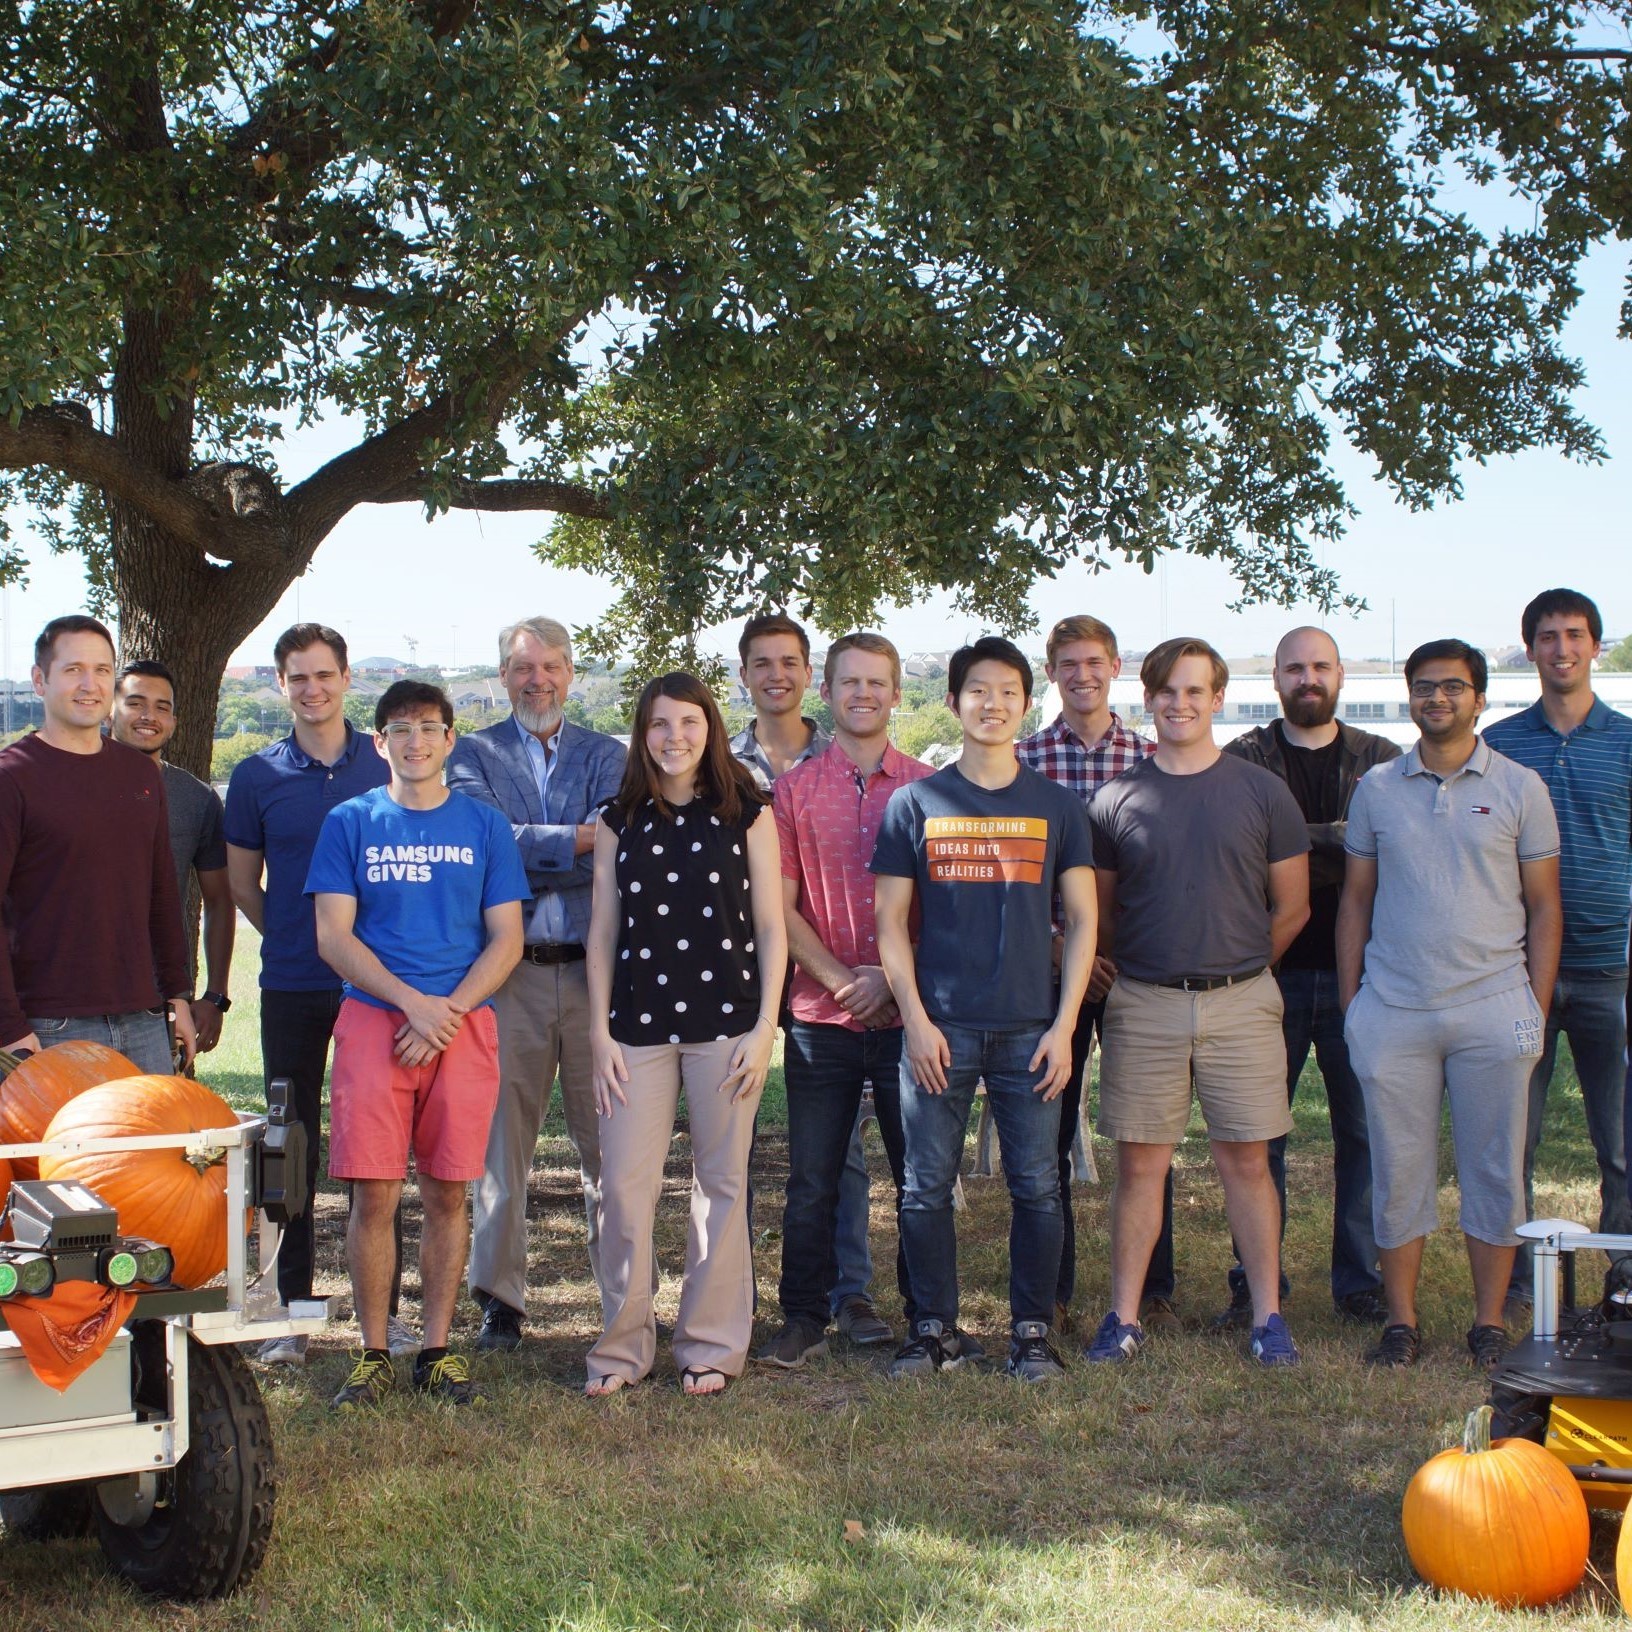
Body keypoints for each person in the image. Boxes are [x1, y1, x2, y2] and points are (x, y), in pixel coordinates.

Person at [873, 635, 1097, 1384]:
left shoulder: (1057, 807)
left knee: (1037, 1183)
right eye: (977, 690)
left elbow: (1084, 922)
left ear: (1026, 704)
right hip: (940, 1027)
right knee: (924, 1185)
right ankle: (932, 1328)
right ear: (952, 702)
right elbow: (890, 926)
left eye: (1007, 691)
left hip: (1032, 1031)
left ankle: (1031, 1332)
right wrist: (914, 1019)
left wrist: (1066, 1029)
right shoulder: (916, 803)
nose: (992, 703)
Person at [1338, 639, 1562, 1370]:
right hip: (1394, 1009)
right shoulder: (1376, 788)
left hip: (1494, 1005)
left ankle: (1489, 1322)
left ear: (1480, 698)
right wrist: (1354, 1008)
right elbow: (1356, 901)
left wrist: (1535, 1002)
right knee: (1398, 1170)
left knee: (1494, 1168)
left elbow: (1544, 905)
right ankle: (1400, 1323)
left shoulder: (1522, 787)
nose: (1438, 699)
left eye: (1454, 687)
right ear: (1410, 697)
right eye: (1425, 687)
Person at [1086, 637, 1310, 1369]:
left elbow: (1293, 907)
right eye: (1165, 692)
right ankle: (1123, 1317)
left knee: (1247, 1161)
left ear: (1218, 699)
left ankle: (1267, 1315)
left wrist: (1236, 969)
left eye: (1194, 691)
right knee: (1140, 1164)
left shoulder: (1261, 791)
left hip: (1243, 1001)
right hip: (1144, 1002)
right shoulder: (1117, 798)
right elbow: (1108, 914)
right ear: (1145, 700)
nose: (1179, 704)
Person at [308, 681, 529, 1409]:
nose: (415, 741)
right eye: (399, 729)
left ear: (449, 738)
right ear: (379, 743)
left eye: (429, 727)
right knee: (372, 1193)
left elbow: (507, 937)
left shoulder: (485, 826)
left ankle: (436, 1350)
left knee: (448, 1191)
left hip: (464, 1026)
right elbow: (333, 935)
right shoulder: (351, 822)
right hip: (377, 1021)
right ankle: (374, 1350)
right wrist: (411, 1006)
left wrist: (449, 1011)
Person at [584, 673, 786, 1397]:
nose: (675, 738)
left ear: (711, 727)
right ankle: (620, 1348)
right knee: (625, 1189)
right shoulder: (616, 819)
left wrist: (766, 1027)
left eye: (689, 723)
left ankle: (709, 1343)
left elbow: (770, 926)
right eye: (660, 725)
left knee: (722, 1186)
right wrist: (599, 1034)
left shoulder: (749, 812)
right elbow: (602, 932)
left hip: (727, 1027)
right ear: (642, 734)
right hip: (633, 1030)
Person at [447, 617, 627, 1351]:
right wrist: (577, 841)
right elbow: (485, 844)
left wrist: (533, 844)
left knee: (610, 1143)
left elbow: (619, 840)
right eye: (523, 668)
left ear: (570, 673)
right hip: (508, 975)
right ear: (503, 677)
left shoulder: (608, 754)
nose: (538, 680)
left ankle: (621, 1291)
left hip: (595, 974)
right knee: (501, 1147)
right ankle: (501, 1300)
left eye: (550, 666)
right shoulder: (472, 754)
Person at [1213, 627, 1398, 1328]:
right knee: (1258, 1140)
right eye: (1295, 668)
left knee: (1363, 1134)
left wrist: (1300, 839)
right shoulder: (1246, 761)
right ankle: (1255, 1283)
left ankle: (1359, 1280)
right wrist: (1338, 837)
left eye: (1320, 666)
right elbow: (1248, 853)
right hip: (1269, 975)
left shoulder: (1382, 761)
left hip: (1368, 977)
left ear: (1341, 674)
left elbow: (1382, 855)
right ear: (1277, 680)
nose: (1308, 678)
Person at [757, 633, 933, 1368]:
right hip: (818, 1014)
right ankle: (803, 1315)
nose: (863, 694)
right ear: (825, 693)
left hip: (910, 1016)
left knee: (919, 1172)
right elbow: (780, 907)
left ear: (896, 694)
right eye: (849, 683)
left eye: (877, 683)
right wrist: (840, 979)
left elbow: (947, 911)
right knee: (812, 1176)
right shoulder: (793, 790)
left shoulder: (930, 788)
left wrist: (891, 980)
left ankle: (927, 1313)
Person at [225, 622, 398, 1366]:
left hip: (380, 987)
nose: (312, 688)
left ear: (347, 678)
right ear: (280, 684)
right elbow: (240, 882)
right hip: (293, 982)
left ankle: (382, 1318)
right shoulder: (257, 775)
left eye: (324, 674)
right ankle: (291, 1310)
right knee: (289, 1146)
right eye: (298, 677)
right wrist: (299, 937)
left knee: (380, 1151)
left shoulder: (385, 760)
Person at [731, 610, 890, 1345]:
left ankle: (847, 1292)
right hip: (737, 973)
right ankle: (746, 1300)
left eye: (789, 661)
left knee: (842, 1152)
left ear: (808, 676)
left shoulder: (851, 759)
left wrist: (867, 979)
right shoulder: (717, 761)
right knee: (762, 1154)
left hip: (845, 989)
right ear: (744, 674)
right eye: (762, 663)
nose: (776, 675)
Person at [1485, 590, 1632, 1318]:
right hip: (1520, 975)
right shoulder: (1504, 744)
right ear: (1531, 650)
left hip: (1615, 970)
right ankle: (1519, 1285)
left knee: (1622, 1142)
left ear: (1595, 647)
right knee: (1516, 1138)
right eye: (1547, 637)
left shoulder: (1629, 742)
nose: (1562, 649)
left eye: (1575, 636)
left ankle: (1623, 1282)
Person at [1017, 614, 1157, 1334]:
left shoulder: (1154, 757)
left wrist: (1116, 952)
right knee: (1051, 1126)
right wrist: (1061, 949)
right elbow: (1015, 878)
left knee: (1147, 1128)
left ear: (1116, 667)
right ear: (1052, 673)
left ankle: (1151, 1290)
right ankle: (1056, 1286)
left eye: (1094, 662)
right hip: (1049, 967)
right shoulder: (1024, 760)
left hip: (1136, 969)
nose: (1082, 675)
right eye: (1068, 664)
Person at [0, 616, 195, 1074]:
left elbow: (162, 894)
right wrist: (8, 1026)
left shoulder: (141, 775)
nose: (90, 684)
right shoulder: (12, 778)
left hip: (144, 1017)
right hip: (49, 1024)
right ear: (39, 680)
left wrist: (177, 995)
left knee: (155, 1147)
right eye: (73, 670)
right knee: (66, 1150)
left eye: (103, 670)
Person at [110, 660, 236, 1055]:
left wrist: (215, 995)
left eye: (162, 707)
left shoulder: (196, 798)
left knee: (158, 1114)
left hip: (160, 998)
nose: (149, 716)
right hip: (69, 998)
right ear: (109, 708)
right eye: (135, 702)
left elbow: (220, 899)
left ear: (175, 721)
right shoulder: (67, 785)